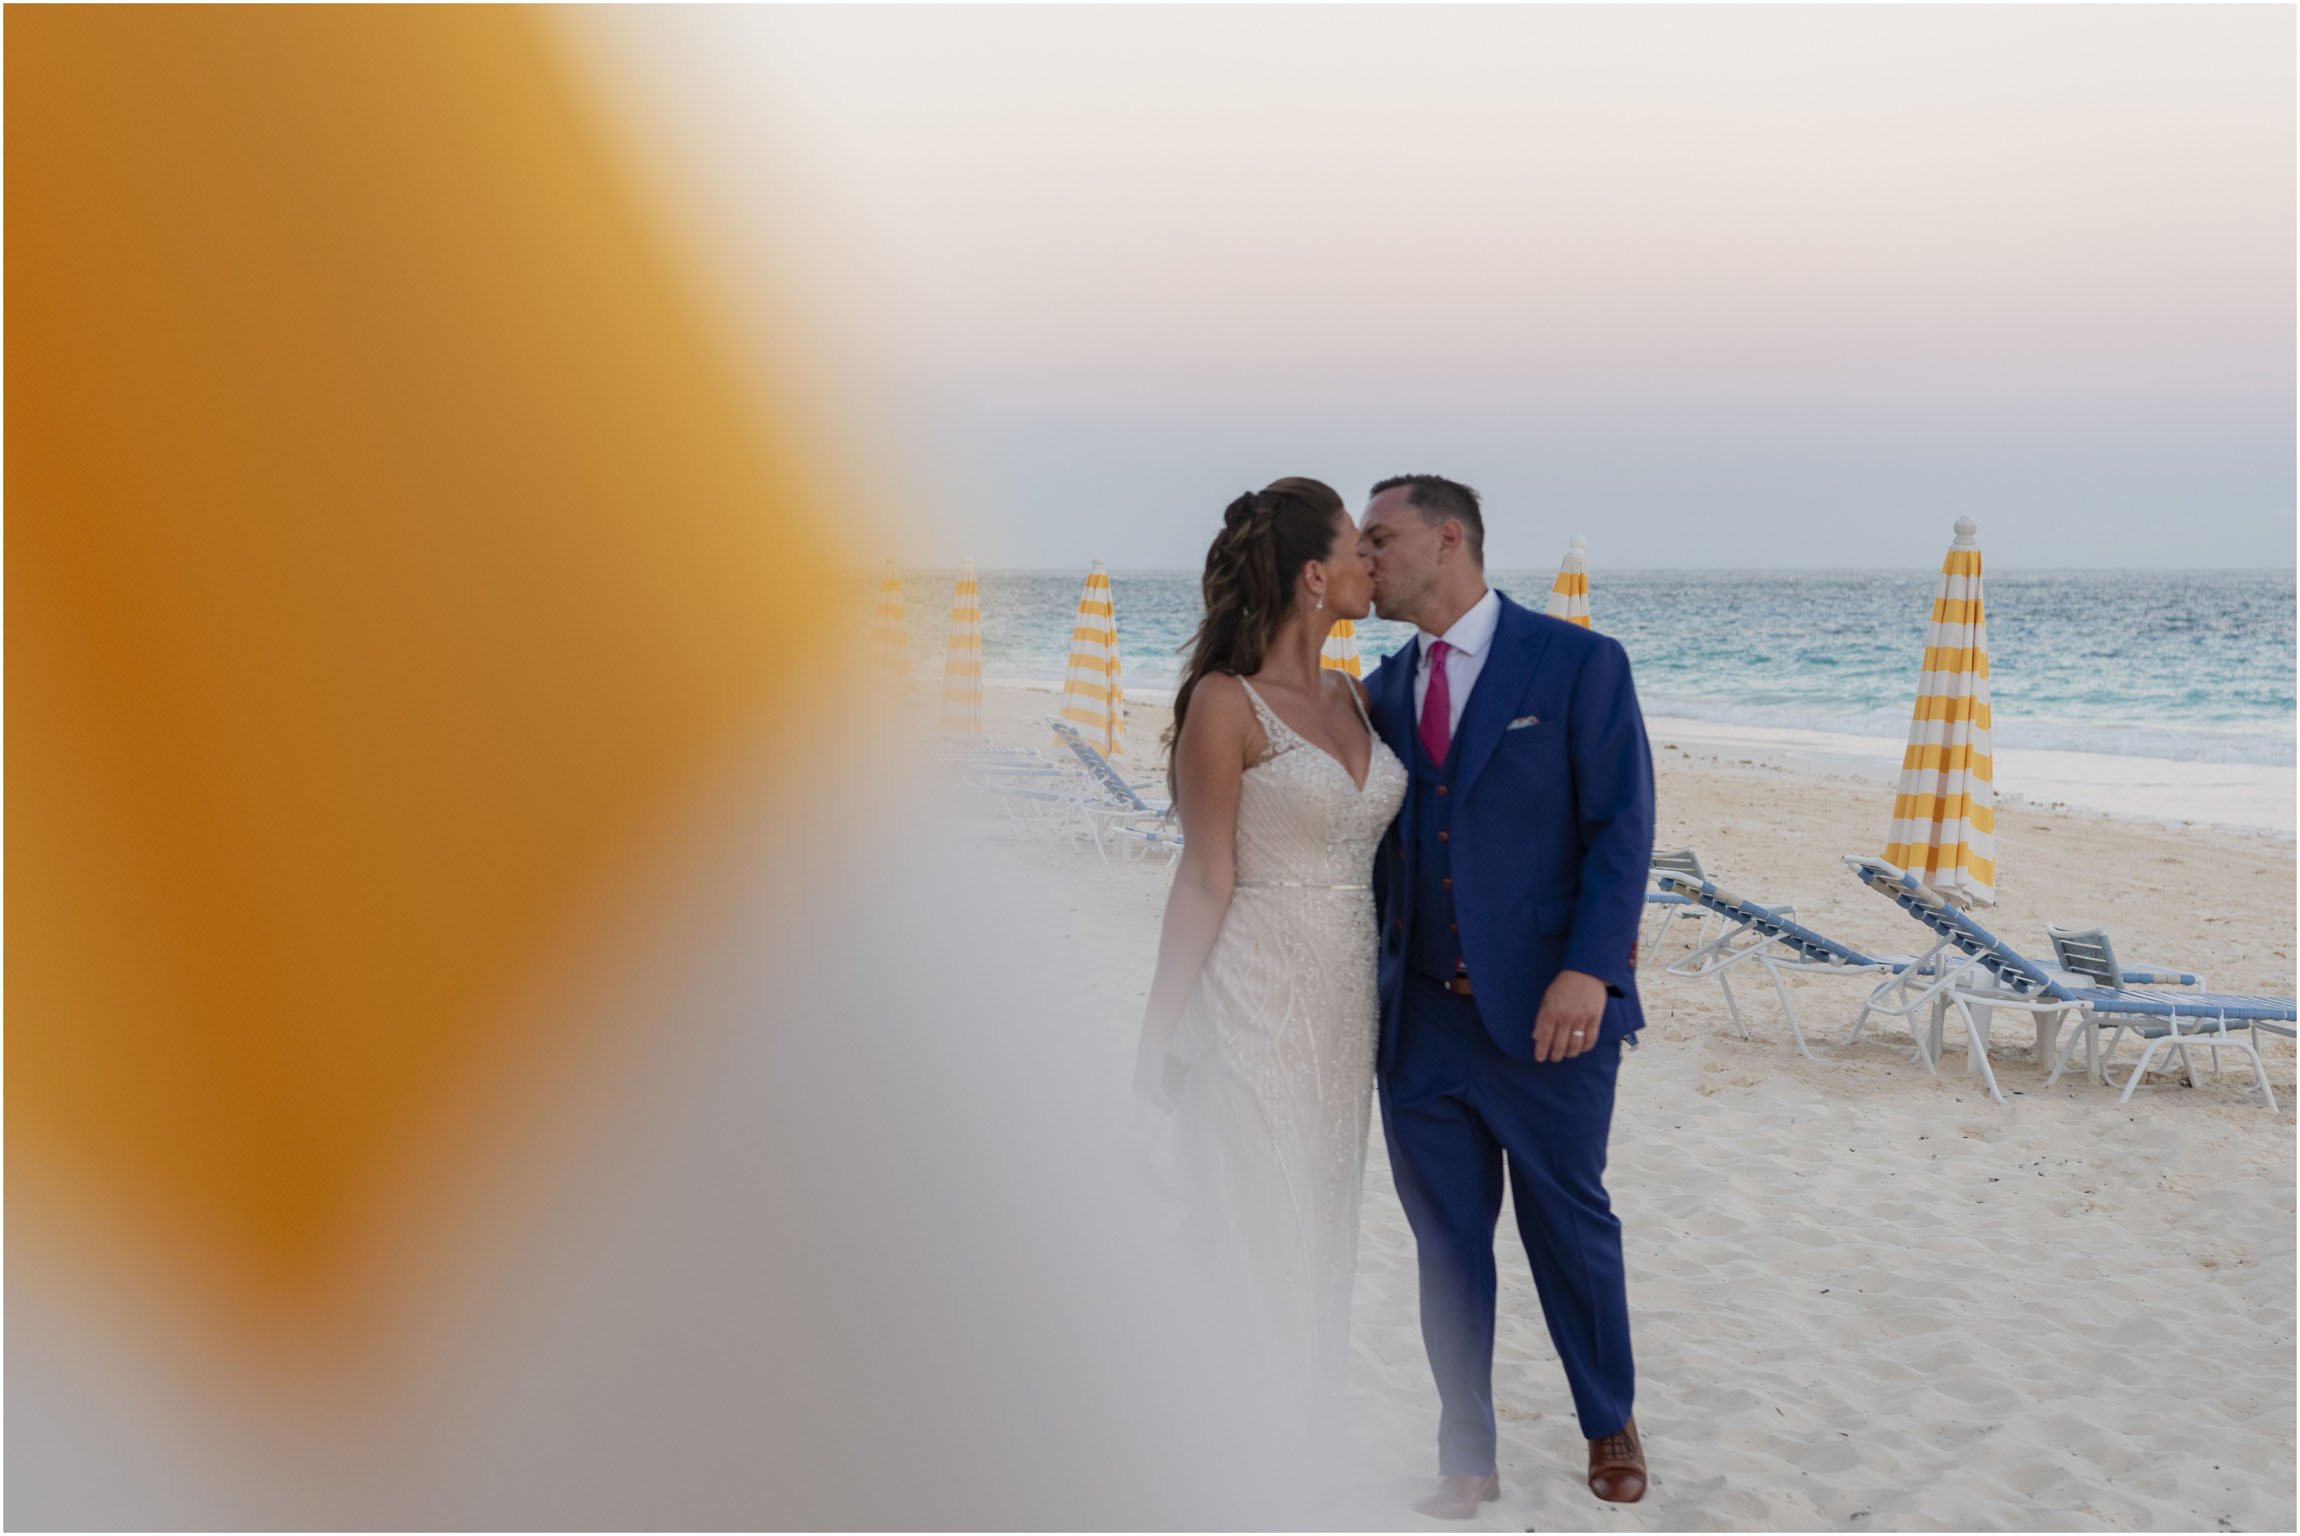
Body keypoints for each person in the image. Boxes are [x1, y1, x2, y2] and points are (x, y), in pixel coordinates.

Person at [1356, 474, 1655, 1513]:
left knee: (1569, 1225)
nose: (1364, 557)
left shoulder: (1577, 664)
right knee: (1445, 1245)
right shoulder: (1379, 691)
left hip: (1548, 1015)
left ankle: (1607, 1420)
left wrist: (1590, 968)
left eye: (1380, 537)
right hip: (1419, 1019)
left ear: (1448, 539)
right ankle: (1464, 1452)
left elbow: (1621, 828)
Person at [1133, 476, 1407, 1413]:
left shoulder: (1356, 695)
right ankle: (1258, 1439)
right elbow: (1203, 876)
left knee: (1322, 1217)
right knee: (1261, 1218)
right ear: (1313, 576)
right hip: (1251, 993)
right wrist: (1158, 1029)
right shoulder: (1225, 703)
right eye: (1355, 544)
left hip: (1345, 1004)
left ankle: (1300, 1429)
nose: (1370, 560)